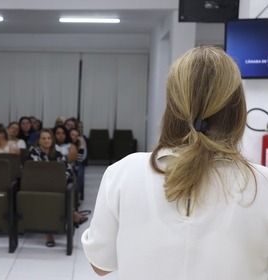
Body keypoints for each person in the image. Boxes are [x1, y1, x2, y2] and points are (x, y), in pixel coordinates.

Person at [81, 46, 268, 279]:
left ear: (171, 105)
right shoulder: (263, 184)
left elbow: (101, 264)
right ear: (237, 109)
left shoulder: (123, 172)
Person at [27, 128, 88, 247]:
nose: (46, 141)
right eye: (43, 138)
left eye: (49, 138)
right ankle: (72, 215)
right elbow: (33, 172)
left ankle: (50, 232)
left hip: (54, 186)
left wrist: (56, 178)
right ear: (39, 140)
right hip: (36, 186)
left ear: (52, 140)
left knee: (57, 193)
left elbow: (68, 171)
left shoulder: (58, 154)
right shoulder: (33, 152)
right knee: (50, 196)